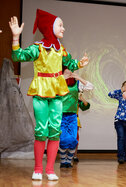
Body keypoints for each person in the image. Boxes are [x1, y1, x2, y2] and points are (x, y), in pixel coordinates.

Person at [9, 9, 89, 180]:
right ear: (49, 27)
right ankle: (38, 168)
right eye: (60, 25)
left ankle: (50, 170)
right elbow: (18, 56)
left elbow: (70, 63)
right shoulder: (38, 48)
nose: (64, 28)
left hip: (57, 92)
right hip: (41, 90)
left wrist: (80, 63)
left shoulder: (61, 50)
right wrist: (16, 38)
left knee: (54, 130)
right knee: (41, 130)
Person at [59, 69, 93, 168]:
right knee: (63, 140)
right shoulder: (57, 81)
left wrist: (79, 78)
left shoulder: (77, 83)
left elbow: (90, 87)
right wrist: (62, 78)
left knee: (73, 140)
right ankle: (62, 160)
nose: (70, 72)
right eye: (67, 70)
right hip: (60, 116)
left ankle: (68, 161)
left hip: (73, 116)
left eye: (71, 70)